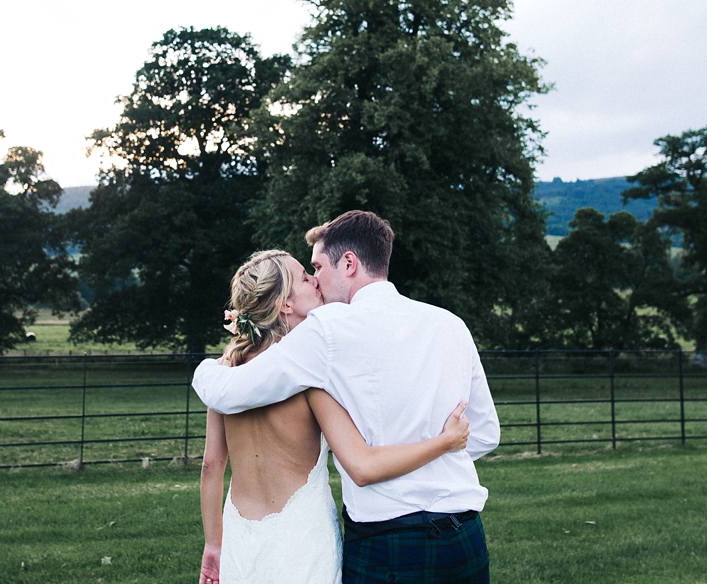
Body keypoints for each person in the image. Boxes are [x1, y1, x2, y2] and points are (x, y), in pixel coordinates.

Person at [194, 211, 500, 583]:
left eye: (317, 268)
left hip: (386, 543)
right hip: (464, 537)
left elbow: (230, 392)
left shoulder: (327, 330)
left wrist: (207, 369)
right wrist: (441, 447)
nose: (316, 281)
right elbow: (485, 435)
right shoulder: (451, 324)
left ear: (349, 263)